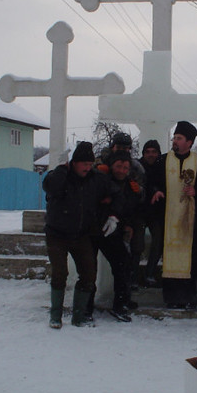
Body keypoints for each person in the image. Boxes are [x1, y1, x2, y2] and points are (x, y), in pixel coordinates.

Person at [42, 141, 122, 329]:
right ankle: (55, 316)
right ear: (73, 163)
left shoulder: (96, 179)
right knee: (60, 273)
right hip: (57, 234)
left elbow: (118, 194)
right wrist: (62, 168)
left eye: (90, 163)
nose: (87, 167)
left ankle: (79, 316)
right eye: (83, 164)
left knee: (88, 275)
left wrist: (114, 216)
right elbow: (51, 187)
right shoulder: (60, 176)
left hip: (82, 235)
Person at [150, 121, 197, 309]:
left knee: (192, 259)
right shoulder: (162, 161)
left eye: (179, 138)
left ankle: (191, 297)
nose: (175, 141)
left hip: (191, 221)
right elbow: (152, 180)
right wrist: (155, 191)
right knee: (171, 257)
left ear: (189, 141)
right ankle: (172, 297)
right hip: (168, 219)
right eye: (174, 138)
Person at [92, 150, 142, 323]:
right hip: (93, 230)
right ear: (111, 166)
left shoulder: (129, 185)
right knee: (89, 269)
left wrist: (127, 224)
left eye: (125, 167)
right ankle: (86, 306)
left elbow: (130, 208)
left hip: (113, 231)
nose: (121, 170)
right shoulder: (100, 178)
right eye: (118, 166)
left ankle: (121, 303)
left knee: (123, 265)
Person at [137, 139, 164, 286]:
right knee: (137, 244)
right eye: (147, 152)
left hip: (156, 213)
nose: (151, 155)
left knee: (158, 241)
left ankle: (150, 272)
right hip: (140, 212)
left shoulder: (163, 167)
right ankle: (133, 276)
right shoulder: (137, 166)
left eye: (154, 152)